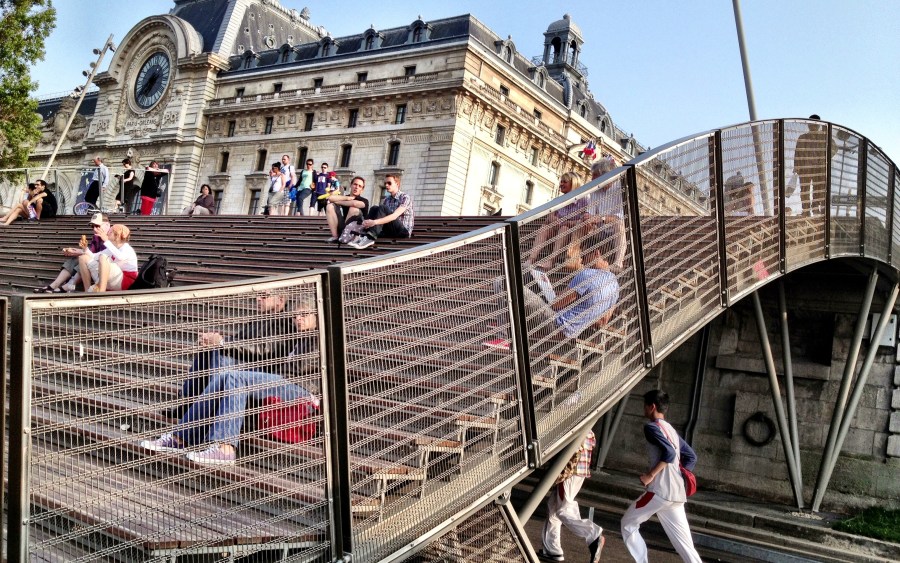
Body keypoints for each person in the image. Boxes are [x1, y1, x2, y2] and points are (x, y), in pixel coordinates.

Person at [140, 296, 319, 466]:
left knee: (231, 374)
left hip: (299, 388)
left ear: (317, 317)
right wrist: (220, 341)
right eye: (296, 315)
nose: (298, 319)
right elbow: (242, 341)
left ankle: (225, 449)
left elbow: (293, 366)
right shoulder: (296, 334)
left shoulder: (316, 336)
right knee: (223, 368)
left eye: (304, 315)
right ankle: (181, 436)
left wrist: (224, 344)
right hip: (281, 380)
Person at [485, 234, 619, 353]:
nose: (582, 261)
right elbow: (603, 321)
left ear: (596, 253)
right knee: (527, 270)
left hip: (555, 325)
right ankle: (510, 320)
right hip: (571, 332)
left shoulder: (586, 275)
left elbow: (556, 304)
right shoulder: (615, 286)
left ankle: (504, 337)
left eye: (583, 256)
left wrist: (552, 293)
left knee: (503, 282)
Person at [621, 390, 701, 563]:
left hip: (659, 492)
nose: (644, 409)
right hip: (677, 495)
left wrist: (650, 475)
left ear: (652, 407)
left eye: (645, 406)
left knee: (627, 524)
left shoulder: (651, 427)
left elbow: (669, 453)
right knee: (686, 545)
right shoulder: (670, 429)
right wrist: (677, 475)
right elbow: (691, 456)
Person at [538, 430, 604, 563]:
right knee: (553, 507)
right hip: (579, 471)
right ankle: (552, 550)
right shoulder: (589, 427)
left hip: (570, 472)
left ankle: (593, 534)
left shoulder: (578, 424)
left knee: (563, 510)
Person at [525, 172, 589, 269]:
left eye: (564, 182)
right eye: (561, 182)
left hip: (573, 236)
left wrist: (568, 223)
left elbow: (585, 220)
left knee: (564, 228)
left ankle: (551, 261)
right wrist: (554, 219)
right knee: (544, 228)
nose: (561, 184)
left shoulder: (584, 200)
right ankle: (531, 259)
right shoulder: (558, 199)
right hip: (557, 233)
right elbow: (549, 218)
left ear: (574, 183)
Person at [34, 213, 110, 293]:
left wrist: (106, 240)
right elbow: (92, 252)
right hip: (95, 261)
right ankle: (54, 285)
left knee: (83, 259)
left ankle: (68, 286)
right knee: (77, 258)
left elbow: (107, 255)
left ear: (107, 225)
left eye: (97, 226)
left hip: (106, 266)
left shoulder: (112, 234)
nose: (94, 229)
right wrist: (75, 251)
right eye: (92, 226)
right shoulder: (96, 236)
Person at [346, 174, 414, 249]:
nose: (386, 185)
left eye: (389, 183)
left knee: (382, 207)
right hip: (389, 230)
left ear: (397, 184)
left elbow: (394, 216)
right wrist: (369, 223)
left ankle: (370, 237)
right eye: (385, 183)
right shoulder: (387, 199)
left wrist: (374, 222)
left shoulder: (405, 197)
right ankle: (364, 234)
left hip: (402, 231)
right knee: (374, 208)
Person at [586, 159, 627, 272]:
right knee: (582, 222)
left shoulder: (621, 188)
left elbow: (620, 216)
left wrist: (601, 218)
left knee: (619, 224)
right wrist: (588, 217)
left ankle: (618, 263)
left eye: (595, 176)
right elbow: (591, 211)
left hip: (614, 229)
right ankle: (572, 256)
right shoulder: (595, 189)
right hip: (599, 228)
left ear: (606, 176)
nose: (592, 179)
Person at [793, 115, 836, 217]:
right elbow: (797, 153)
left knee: (818, 189)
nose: (812, 126)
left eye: (814, 124)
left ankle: (816, 209)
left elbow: (834, 148)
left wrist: (825, 157)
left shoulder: (824, 137)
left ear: (818, 125)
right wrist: (797, 166)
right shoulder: (803, 137)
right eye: (810, 123)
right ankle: (806, 210)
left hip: (819, 169)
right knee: (804, 190)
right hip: (805, 169)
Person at [77, 223, 139, 292]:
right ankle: (87, 290)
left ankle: (101, 291)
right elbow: (94, 256)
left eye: (111, 231)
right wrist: (85, 248)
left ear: (117, 236)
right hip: (112, 278)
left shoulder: (127, 248)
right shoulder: (111, 248)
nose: (108, 233)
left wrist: (106, 240)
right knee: (83, 258)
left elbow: (120, 257)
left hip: (124, 281)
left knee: (103, 257)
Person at [325, 176, 369, 242]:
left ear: (362, 190)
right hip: (344, 226)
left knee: (353, 209)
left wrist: (339, 201)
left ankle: (346, 235)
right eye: (355, 184)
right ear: (351, 185)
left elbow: (355, 204)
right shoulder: (345, 197)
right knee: (330, 206)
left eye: (360, 186)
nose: (357, 187)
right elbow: (330, 198)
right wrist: (347, 198)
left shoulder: (364, 201)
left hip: (357, 230)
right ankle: (335, 236)